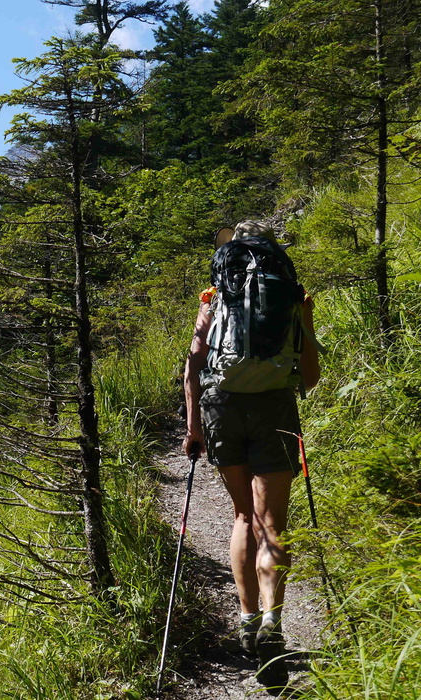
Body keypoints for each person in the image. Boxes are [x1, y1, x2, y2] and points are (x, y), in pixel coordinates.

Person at [183, 220, 320, 689]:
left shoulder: (214, 296)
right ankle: (272, 623)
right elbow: (310, 377)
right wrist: (305, 318)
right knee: (273, 524)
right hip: (275, 407)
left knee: (243, 517)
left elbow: (194, 364)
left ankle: (246, 622)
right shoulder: (291, 296)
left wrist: (193, 427)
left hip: (221, 407)